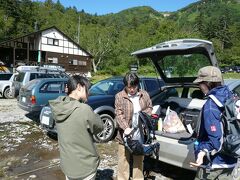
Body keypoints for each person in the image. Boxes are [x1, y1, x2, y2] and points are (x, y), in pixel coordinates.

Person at [49, 75, 103, 180]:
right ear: (79, 87)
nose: (89, 92)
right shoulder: (84, 109)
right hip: (85, 167)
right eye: (87, 89)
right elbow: (99, 127)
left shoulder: (58, 106)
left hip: (68, 166)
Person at [190, 66, 237, 179]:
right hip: (231, 158)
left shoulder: (211, 105)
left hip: (214, 164)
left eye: (200, 83)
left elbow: (216, 140)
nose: (199, 86)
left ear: (208, 83)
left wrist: (202, 152)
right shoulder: (230, 96)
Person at [115, 72, 153, 180]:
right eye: (129, 87)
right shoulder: (119, 96)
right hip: (124, 133)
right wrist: (126, 128)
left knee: (138, 159)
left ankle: (138, 178)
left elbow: (150, 107)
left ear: (138, 85)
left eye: (134, 87)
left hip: (140, 133)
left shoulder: (144, 94)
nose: (132, 90)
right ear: (125, 86)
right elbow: (118, 114)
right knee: (123, 159)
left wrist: (143, 117)